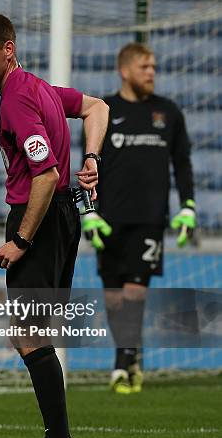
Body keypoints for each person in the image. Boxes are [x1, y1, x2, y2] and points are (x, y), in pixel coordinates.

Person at [0, 12, 109, 438]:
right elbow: (97, 107)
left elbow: (44, 174)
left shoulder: (17, 99)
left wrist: (21, 240)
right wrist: (92, 157)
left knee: (28, 336)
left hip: (38, 217)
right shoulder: (41, 88)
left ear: (8, 48)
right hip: (64, 216)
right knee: (35, 333)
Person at [82, 42, 195, 394]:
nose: (152, 73)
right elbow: (87, 165)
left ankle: (122, 363)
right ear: (125, 70)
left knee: (135, 292)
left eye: (154, 67)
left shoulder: (169, 113)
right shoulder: (103, 110)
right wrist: (88, 212)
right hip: (108, 219)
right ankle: (130, 353)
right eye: (145, 67)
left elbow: (183, 163)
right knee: (114, 296)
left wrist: (188, 205)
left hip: (150, 219)